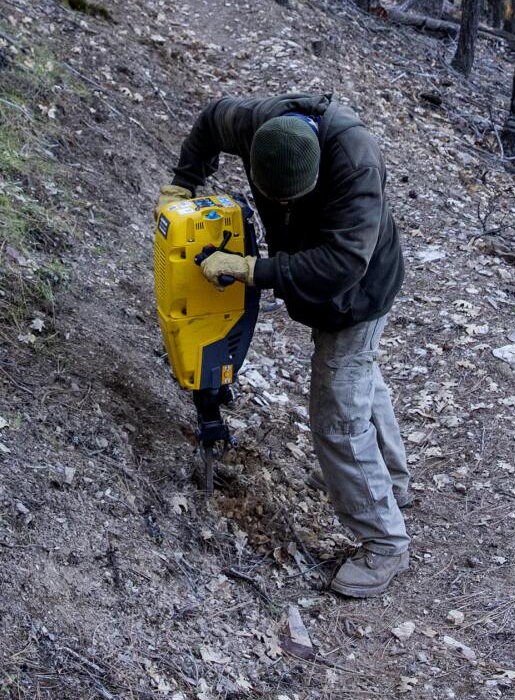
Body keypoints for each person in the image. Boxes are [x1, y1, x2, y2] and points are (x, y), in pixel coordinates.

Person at [157, 93, 412, 598]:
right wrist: (182, 182)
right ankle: (390, 483)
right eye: (275, 201)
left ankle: (384, 542)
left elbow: (342, 265)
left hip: (359, 291)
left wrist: (253, 270)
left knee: (338, 410)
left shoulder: (355, 161)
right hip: (326, 291)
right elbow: (210, 120)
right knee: (359, 375)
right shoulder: (257, 124)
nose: (283, 210)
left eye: (292, 202)